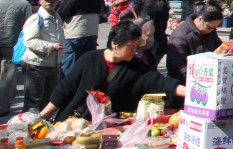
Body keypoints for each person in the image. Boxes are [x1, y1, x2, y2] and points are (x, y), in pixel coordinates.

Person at [39, 21, 185, 121]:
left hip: (110, 129)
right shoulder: (89, 59)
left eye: (136, 45)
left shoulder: (136, 67)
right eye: (130, 46)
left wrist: (192, 92)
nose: (135, 50)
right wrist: (41, 117)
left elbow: (162, 83)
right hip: (75, 124)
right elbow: (64, 90)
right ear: (114, 44)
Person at [22, 0, 64, 113]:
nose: (50, 1)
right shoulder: (36, 18)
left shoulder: (57, 18)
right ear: (40, 0)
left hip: (53, 65)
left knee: (48, 102)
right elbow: (29, 41)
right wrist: (51, 46)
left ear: (57, 0)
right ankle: (28, 129)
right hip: (36, 65)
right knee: (33, 103)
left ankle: (44, 129)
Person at [166, 1, 229, 84]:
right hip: (184, 83)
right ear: (199, 19)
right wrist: (199, 78)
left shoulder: (210, 32)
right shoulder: (180, 34)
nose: (212, 30)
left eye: (215, 28)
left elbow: (218, 49)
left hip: (206, 80)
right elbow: (176, 65)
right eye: (209, 27)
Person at [59, 0, 103, 77]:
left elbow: (62, 13)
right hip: (92, 32)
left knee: (69, 65)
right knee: (86, 65)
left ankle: (66, 89)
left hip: (75, 33)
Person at [0, 0, 32, 115]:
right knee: (6, 76)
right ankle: (2, 107)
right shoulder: (24, 4)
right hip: (10, 43)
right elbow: (28, 24)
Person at [141, 0, 170, 65]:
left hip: (150, 43)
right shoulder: (164, 6)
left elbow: (144, 24)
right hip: (161, 41)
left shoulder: (149, 8)